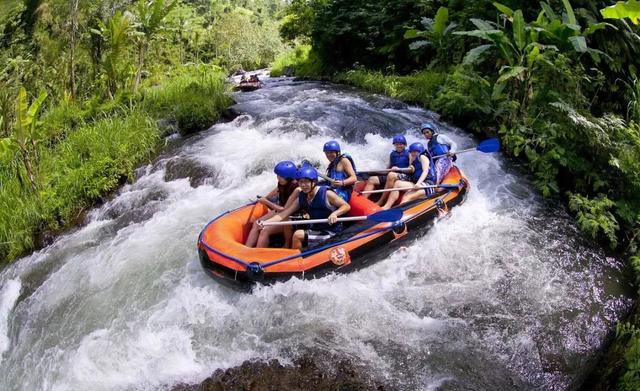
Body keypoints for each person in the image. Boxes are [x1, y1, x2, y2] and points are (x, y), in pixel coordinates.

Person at [257, 165, 350, 249]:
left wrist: (335, 213)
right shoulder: (302, 197)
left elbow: (346, 206)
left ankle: (296, 260)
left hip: (331, 231)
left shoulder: (326, 194)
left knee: (298, 235)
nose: (303, 185)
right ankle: (287, 245)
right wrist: (264, 222)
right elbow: (283, 215)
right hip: (315, 227)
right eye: (301, 182)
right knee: (287, 220)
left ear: (314, 182)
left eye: (306, 182)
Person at [245, 161, 299, 248]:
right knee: (256, 223)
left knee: (264, 230)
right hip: (279, 211)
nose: (278, 178)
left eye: (281, 176)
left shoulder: (296, 189)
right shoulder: (282, 183)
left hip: (289, 216)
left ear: (289, 178)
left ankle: (258, 254)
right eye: (277, 175)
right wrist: (265, 198)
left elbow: (284, 210)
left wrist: (266, 202)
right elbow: (277, 189)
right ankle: (246, 249)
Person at [380, 142, 436, 210]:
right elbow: (410, 170)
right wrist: (400, 168)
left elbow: (425, 171)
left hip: (427, 184)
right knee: (397, 183)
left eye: (415, 152)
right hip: (416, 182)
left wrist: (418, 183)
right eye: (412, 152)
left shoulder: (422, 156)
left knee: (407, 197)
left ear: (420, 151)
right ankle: (387, 206)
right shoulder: (413, 159)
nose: (413, 153)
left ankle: (399, 213)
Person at [362, 135, 410, 203]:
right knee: (372, 179)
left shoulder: (409, 153)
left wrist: (399, 169)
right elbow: (388, 168)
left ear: (405, 145)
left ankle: (381, 201)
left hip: (405, 175)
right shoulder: (392, 154)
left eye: (401, 144)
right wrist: (377, 172)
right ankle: (362, 200)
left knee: (391, 175)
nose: (399, 146)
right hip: (392, 174)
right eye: (397, 144)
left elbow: (411, 169)